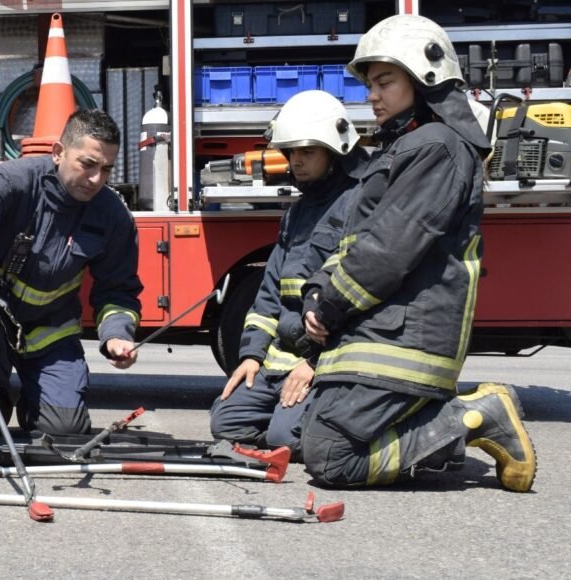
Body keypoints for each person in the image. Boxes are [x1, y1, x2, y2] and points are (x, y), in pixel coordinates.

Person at [298, 15, 536, 491]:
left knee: (329, 456)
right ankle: (445, 421)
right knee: (312, 437)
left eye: (384, 82)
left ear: (424, 77)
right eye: (370, 85)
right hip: (379, 331)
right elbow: (352, 240)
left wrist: (331, 306)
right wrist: (316, 293)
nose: (372, 96)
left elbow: (388, 250)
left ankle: (473, 416)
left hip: (406, 340)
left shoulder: (438, 147)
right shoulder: (406, 148)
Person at [0, 109, 143, 435]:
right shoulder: (13, 180)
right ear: (58, 152)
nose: (97, 179)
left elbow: (118, 290)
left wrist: (117, 335)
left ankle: (37, 400)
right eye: (88, 164)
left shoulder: (113, 216)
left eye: (107, 169)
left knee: (63, 431)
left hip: (48, 330)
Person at [210, 90, 368, 460]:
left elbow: (361, 301)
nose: (296, 162)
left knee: (288, 436)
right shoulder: (295, 215)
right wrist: (250, 356)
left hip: (324, 362)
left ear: (335, 150)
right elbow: (267, 297)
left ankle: (311, 423)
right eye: (291, 152)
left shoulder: (359, 206)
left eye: (307, 152)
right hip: (280, 363)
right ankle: (298, 419)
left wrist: (315, 363)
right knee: (226, 423)